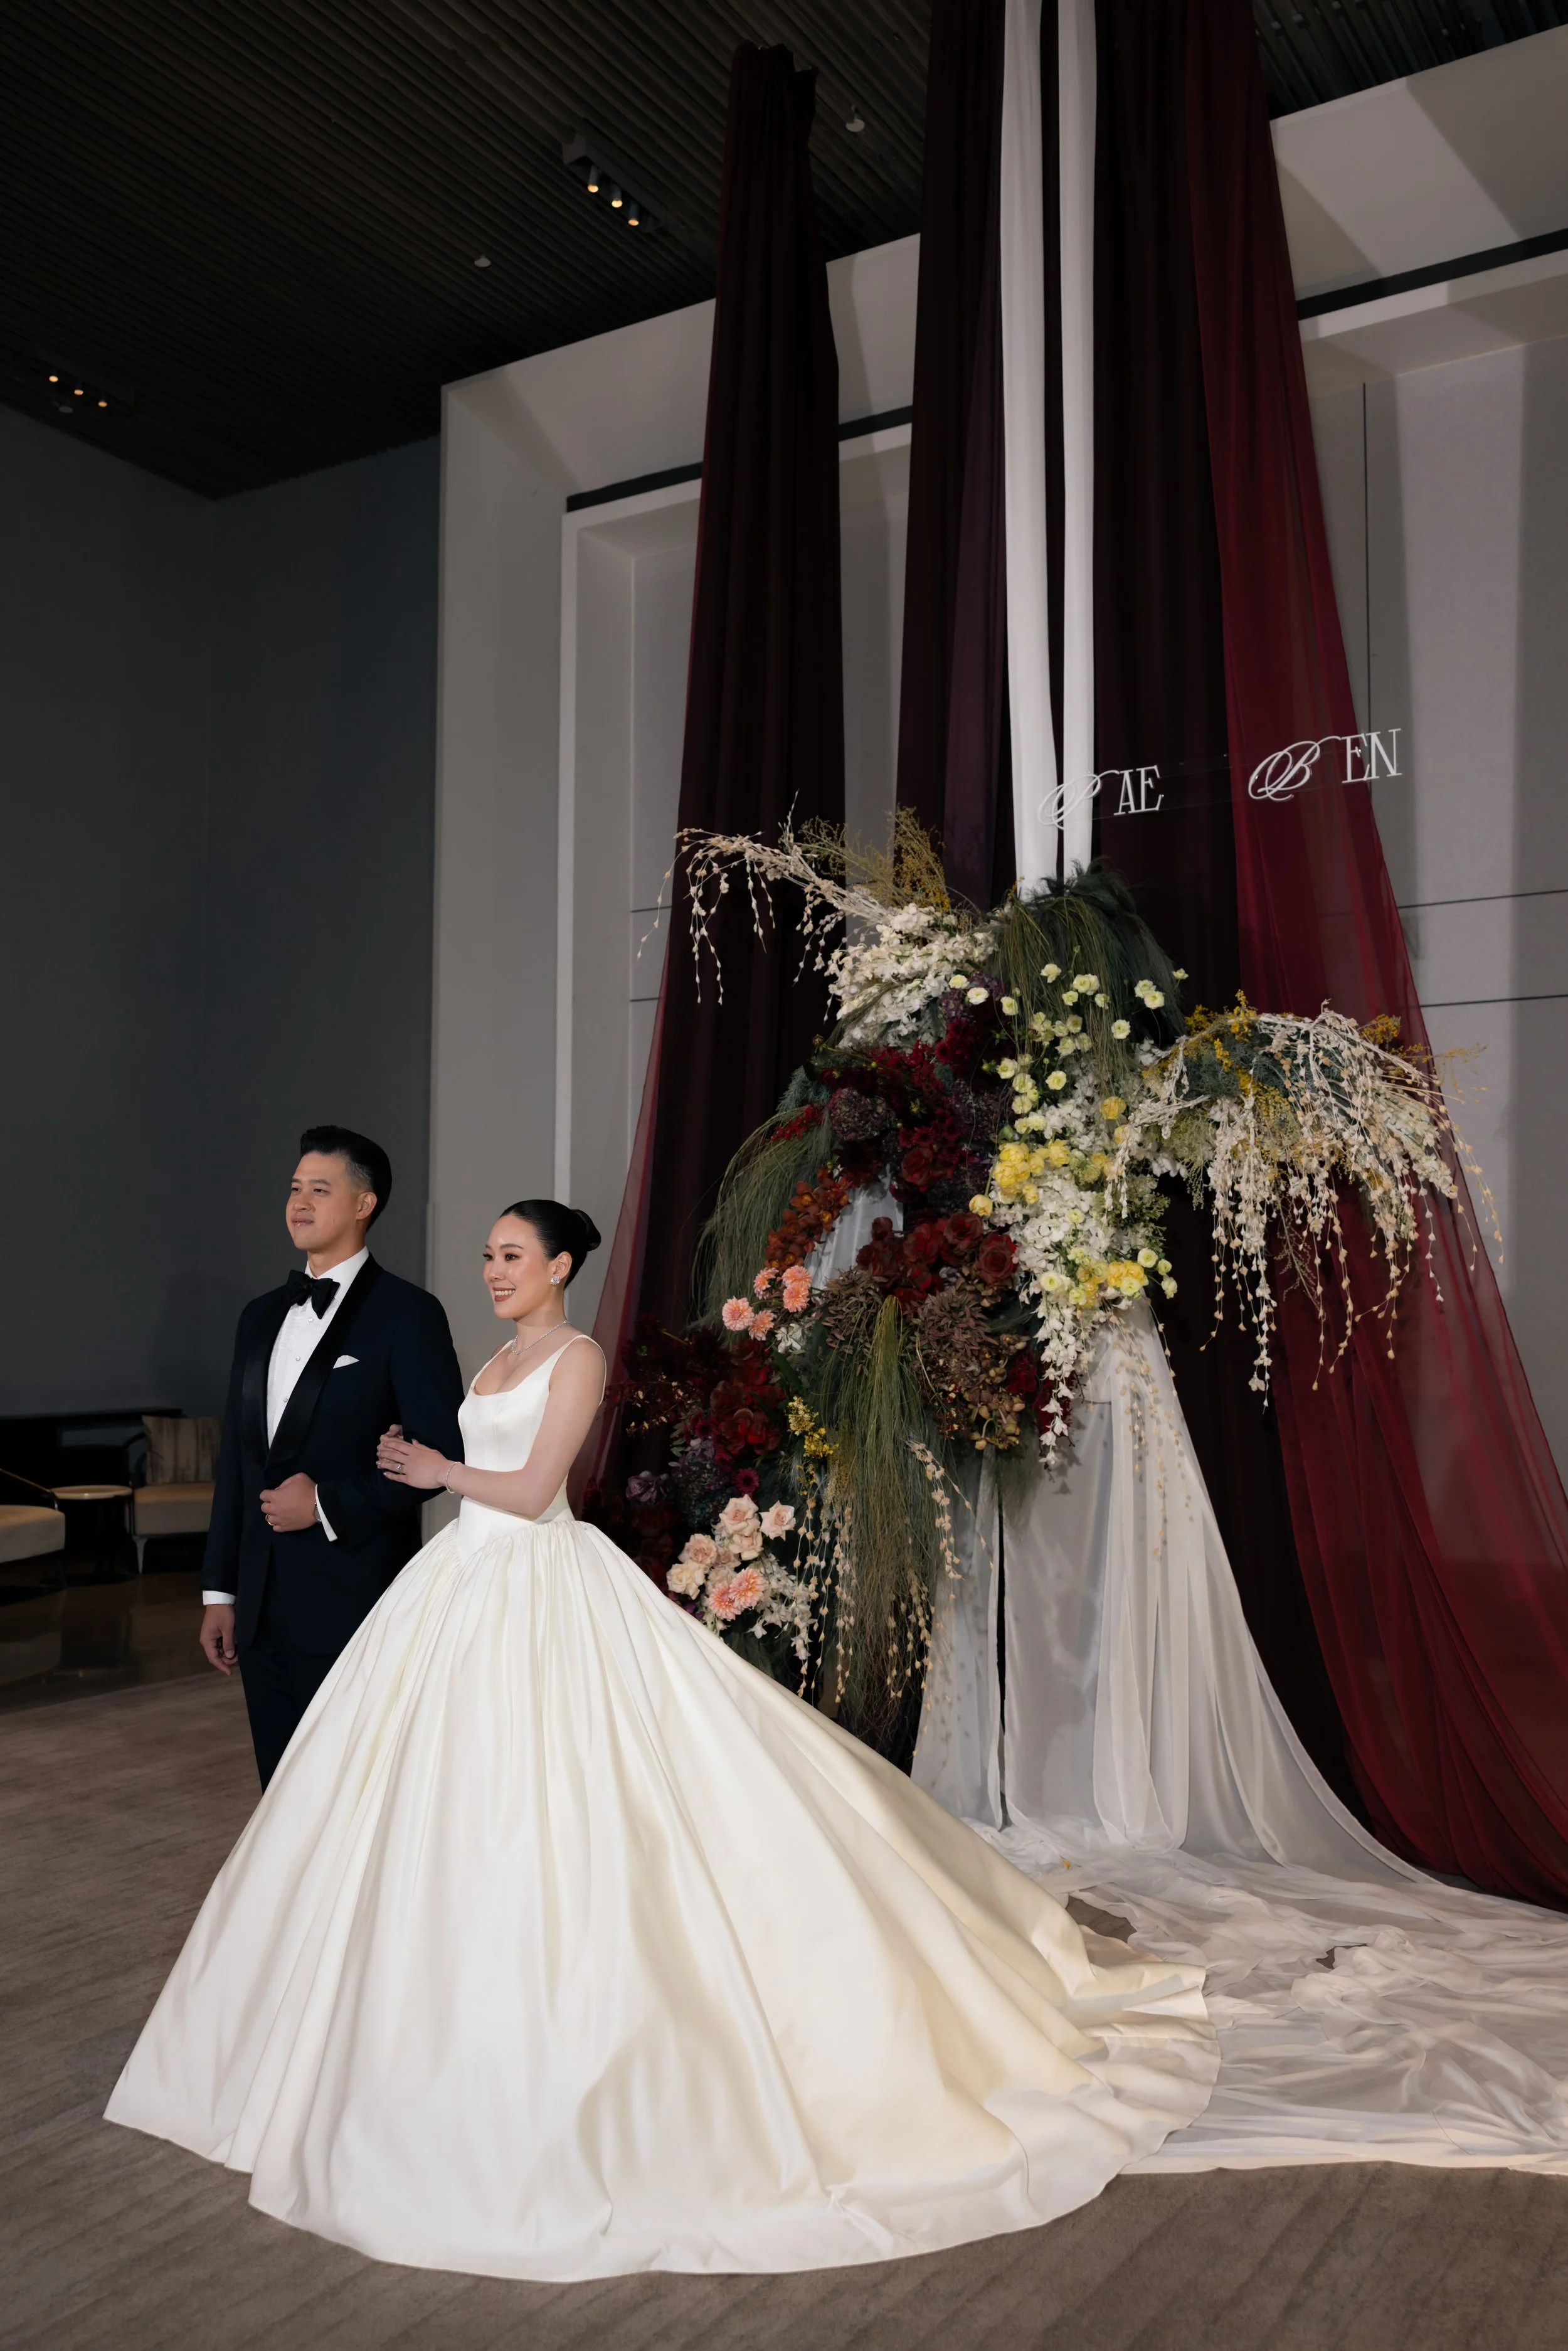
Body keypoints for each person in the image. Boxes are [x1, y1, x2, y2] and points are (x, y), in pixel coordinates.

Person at [107, 1197, 1216, 2280]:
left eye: (512, 1256)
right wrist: (416, 1461)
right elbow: (472, 1467)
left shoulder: (577, 1358)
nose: (493, 1271)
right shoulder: (490, 1364)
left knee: (583, 1803)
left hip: (538, 1579)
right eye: (488, 1255)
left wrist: (439, 1472)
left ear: (560, 1267)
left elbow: (534, 1489)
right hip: (459, 1586)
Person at [199, 1125, 464, 1785]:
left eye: (320, 1189)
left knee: (348, 1789)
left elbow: (441, 1455)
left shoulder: (409, 1313)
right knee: (279, 1788)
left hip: (355, 1595)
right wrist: (220, 1591)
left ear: (364, 1204)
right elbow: (238, 1462)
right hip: (258, 1603)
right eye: (295, 1188)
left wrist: (323, 1503)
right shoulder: (258, 1316)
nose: (299, 1202)